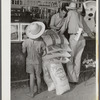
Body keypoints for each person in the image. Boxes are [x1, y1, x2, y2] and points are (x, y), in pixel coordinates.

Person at [59, 2, 95, 83]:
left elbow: (64, 25)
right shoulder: (80, 15)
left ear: (70, 9)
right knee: (77, 59)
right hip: (81, 39)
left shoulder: (70, 13)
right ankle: (76, 78)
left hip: (74, 38)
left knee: (69, 59)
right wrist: (92, 35)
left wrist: (58, 34)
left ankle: (72, 79)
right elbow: (87, 28)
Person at [22, 21, 46, 97]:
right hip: (38, 61)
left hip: (29, 61)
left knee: (31, 76)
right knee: (38, 76)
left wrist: (24, 47)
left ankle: (32, 93)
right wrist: (40, 52)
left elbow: (23, 51)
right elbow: (44, 52)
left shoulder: (26, 41)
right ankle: (39, 90)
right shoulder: (41, 42)